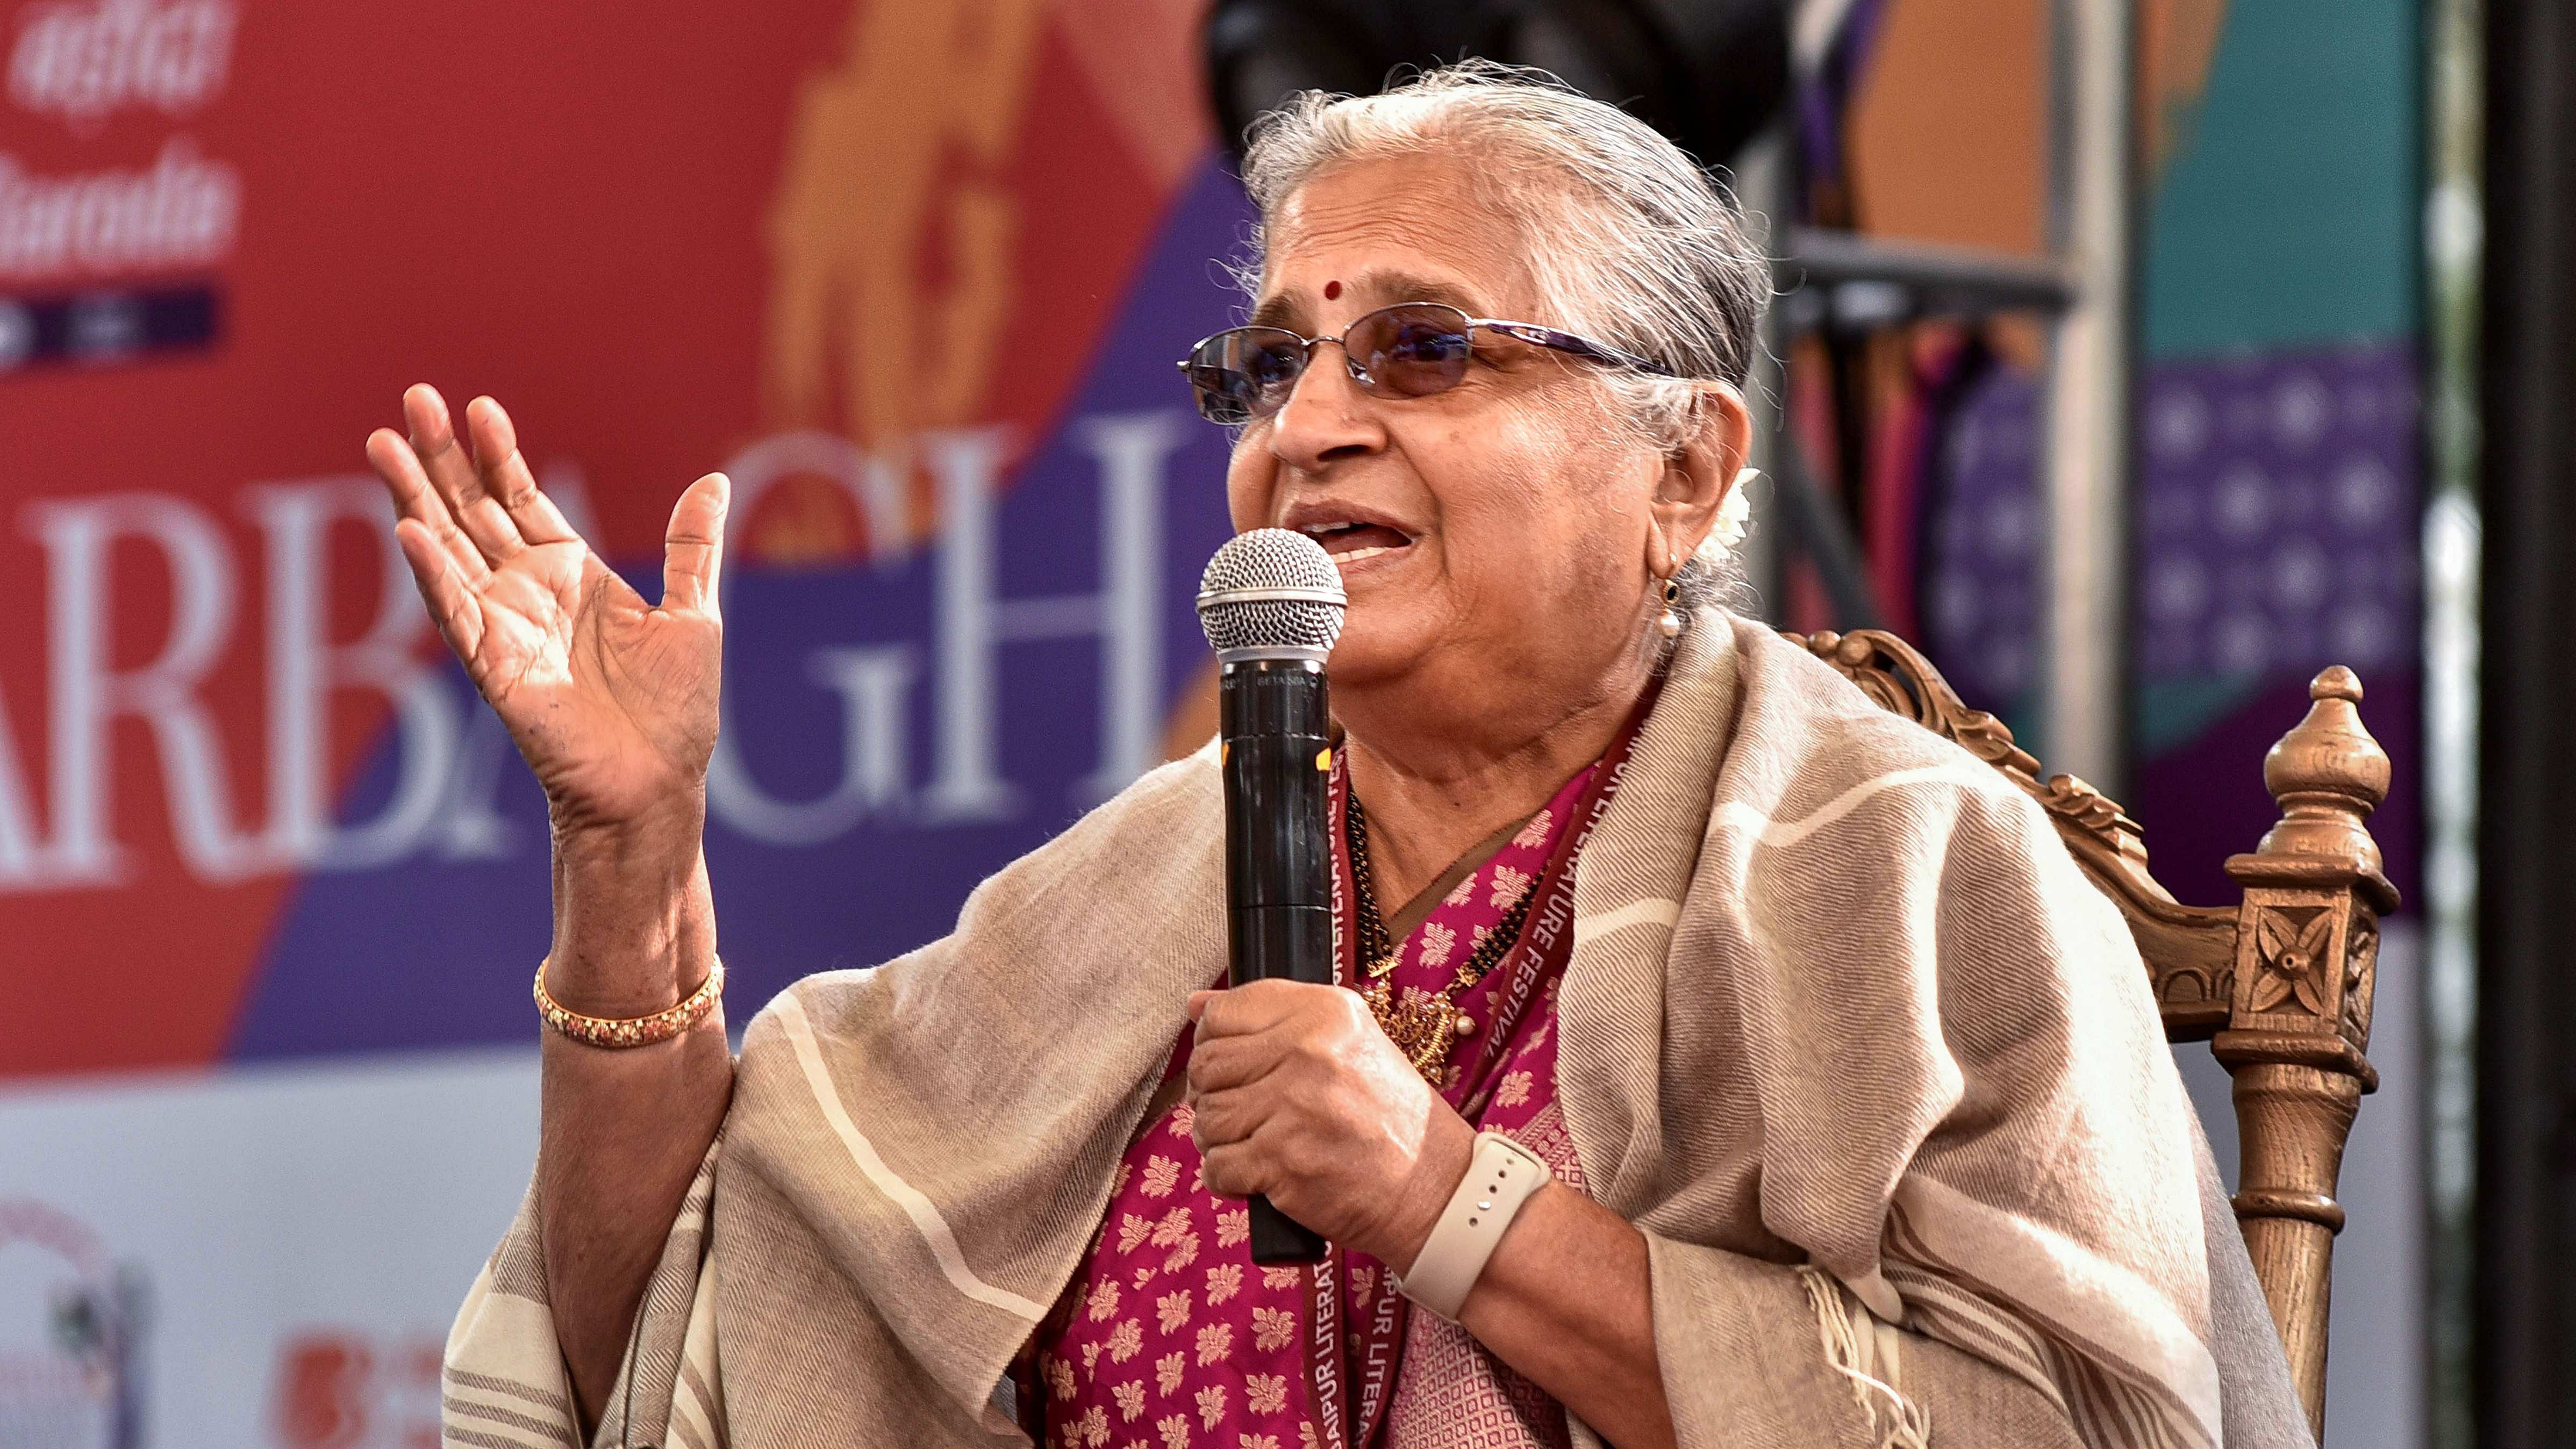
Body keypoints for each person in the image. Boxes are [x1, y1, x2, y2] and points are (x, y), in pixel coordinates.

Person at [391, 63, 2307, 1449]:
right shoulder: (1130, 900)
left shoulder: (1903, 869)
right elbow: (669, 1339)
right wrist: (633, 853)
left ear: (1689, 470)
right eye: (1268, 368)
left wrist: (1445, 1199)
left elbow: (2063, 1425)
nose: (1305, 425)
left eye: (1420, 352)